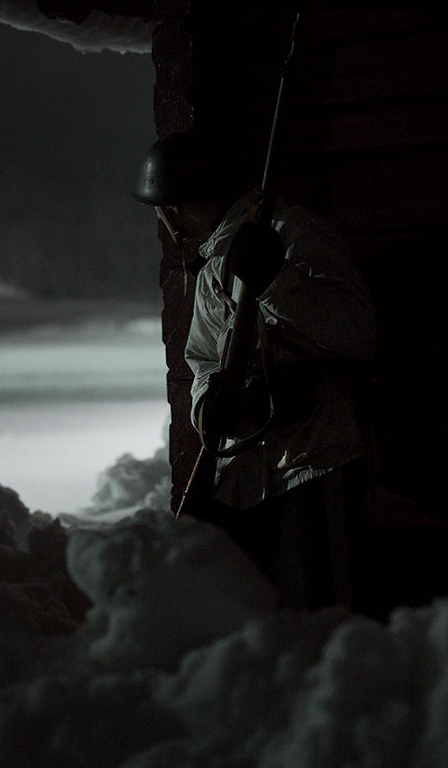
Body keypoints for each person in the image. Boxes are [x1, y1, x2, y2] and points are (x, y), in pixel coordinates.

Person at [132, 131, 378, 611]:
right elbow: (203, 360)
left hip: (317, 456)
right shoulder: (210, 272)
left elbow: (356, 331)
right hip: (245, 476)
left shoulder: (292, 233)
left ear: (177, 206)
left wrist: (276, 280)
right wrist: (212, 404)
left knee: (329, 611)